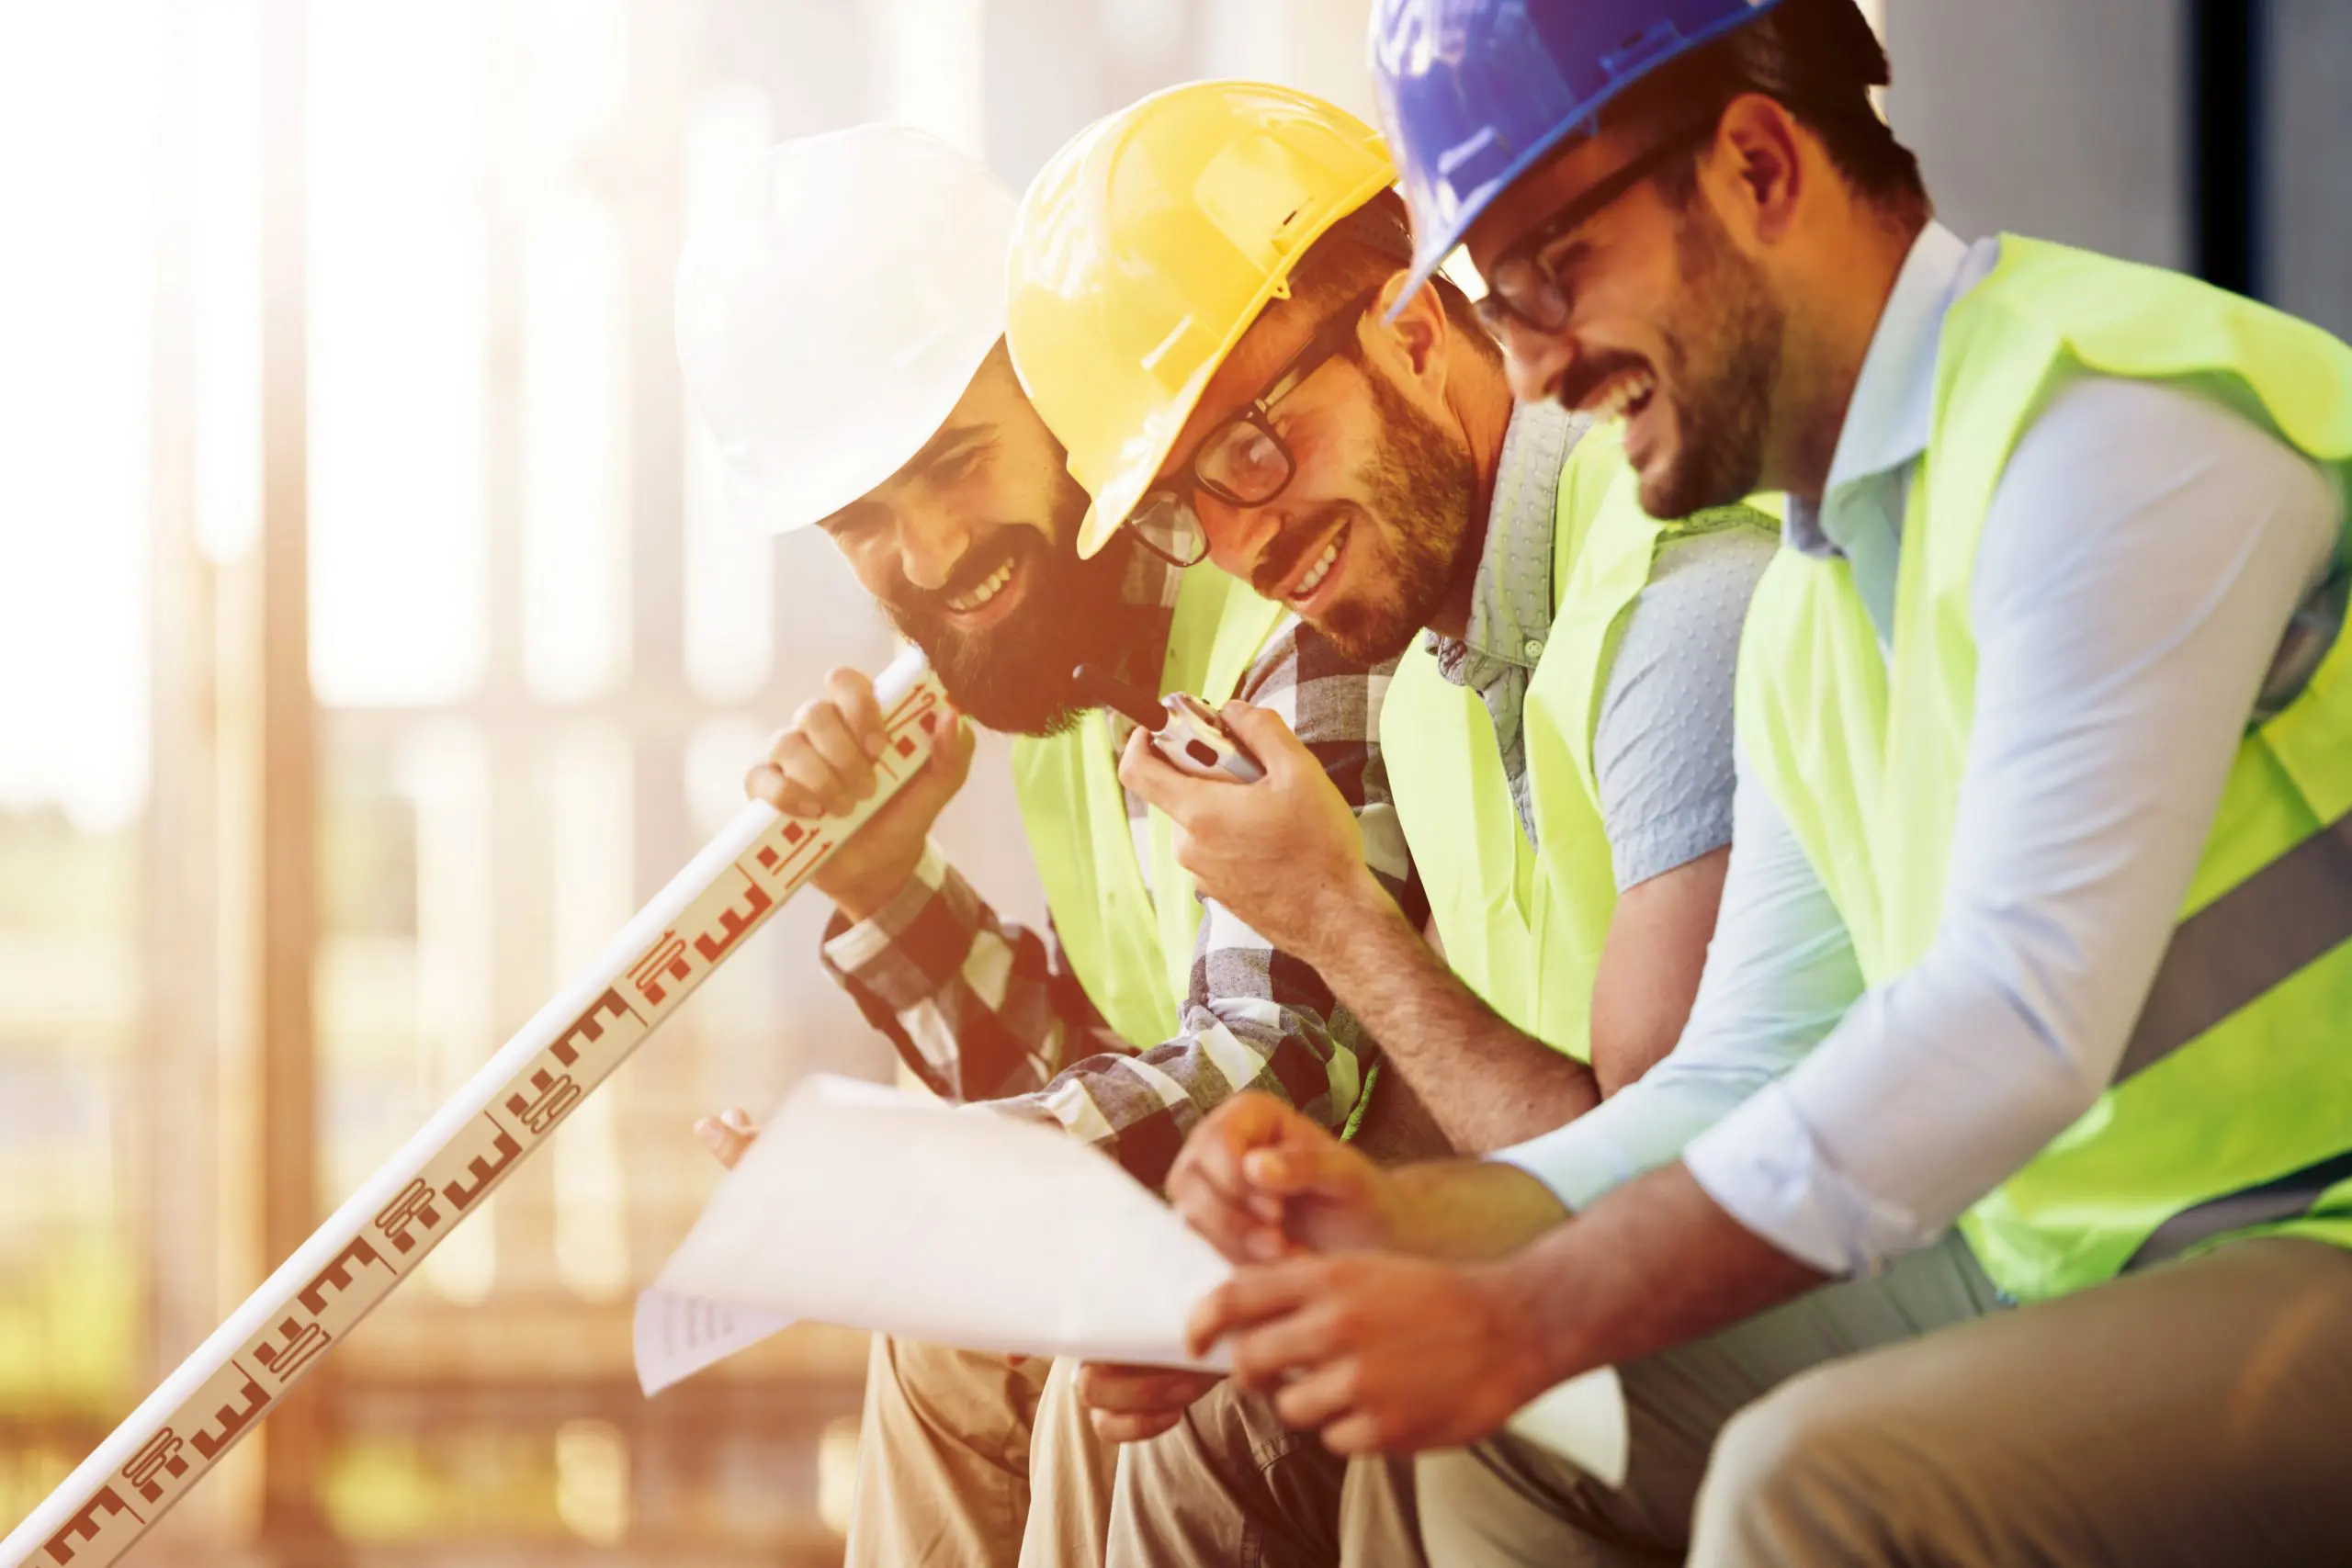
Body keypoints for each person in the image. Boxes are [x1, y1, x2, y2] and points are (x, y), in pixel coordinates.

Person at [1166, 1, 2352, 1562]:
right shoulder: (1819, 588)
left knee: (1818, 1480)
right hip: (2062, 1257)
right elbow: (1738, 1079)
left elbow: (2015, 1020)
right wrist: (1402, 1232)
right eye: (1494, 296)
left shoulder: (2108, 428)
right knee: (1494, 1437)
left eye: (1551, 275)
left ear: (1756, 164)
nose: (1527, 366)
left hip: (2305, 1242)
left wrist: (1533, 1304)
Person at [1001, 81, 1778, 1565]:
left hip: (1798, 1285)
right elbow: (1466, 1112)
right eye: (1187, 508)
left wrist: (1337, 923)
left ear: (1415, 328)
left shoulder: (1679, 595)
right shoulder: (1419, 680)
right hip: (1620, 1252)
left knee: (1370, 1418)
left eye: (1249, 449)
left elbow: (1682, 1198)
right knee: (1200, 1395)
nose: (1244, 544)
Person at [670, 124, 1420, 1568]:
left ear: (1060, 386)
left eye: (955, 459)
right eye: (861, 522)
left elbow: (1273, 1071)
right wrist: (891, 885)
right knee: (943, 1336)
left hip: (1420, 1239)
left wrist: (921, 1185)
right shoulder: (1071, 678)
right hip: (1285, 1234)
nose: (935, 553)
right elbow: (1113, 1083)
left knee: (1098, 1379)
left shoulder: (1286, 594)